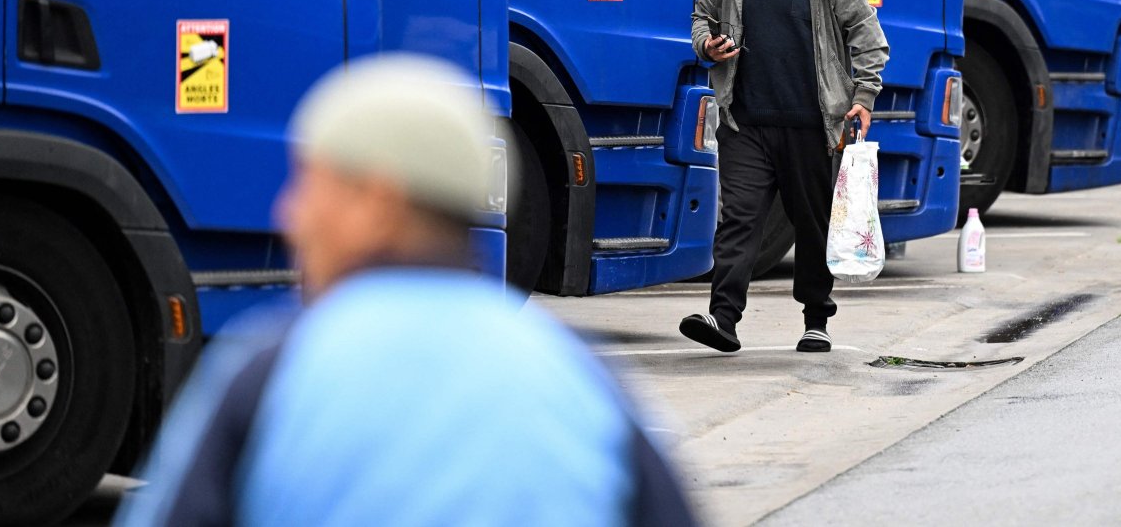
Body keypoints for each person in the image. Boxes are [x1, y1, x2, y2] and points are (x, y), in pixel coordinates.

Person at [118, 53, 696, 527]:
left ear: (378, 203)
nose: (288, 214)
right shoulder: (578, 380)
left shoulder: (272, 372)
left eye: (310, 186)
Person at [680, 0, 888, 353]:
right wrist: (707, 46)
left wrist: (863, 96)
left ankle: (816, 319)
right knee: (738, 221)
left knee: (812, 224)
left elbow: (868, 37)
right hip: (745, 121)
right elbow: (699, 17)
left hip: (811, 126)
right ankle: (723, 320)